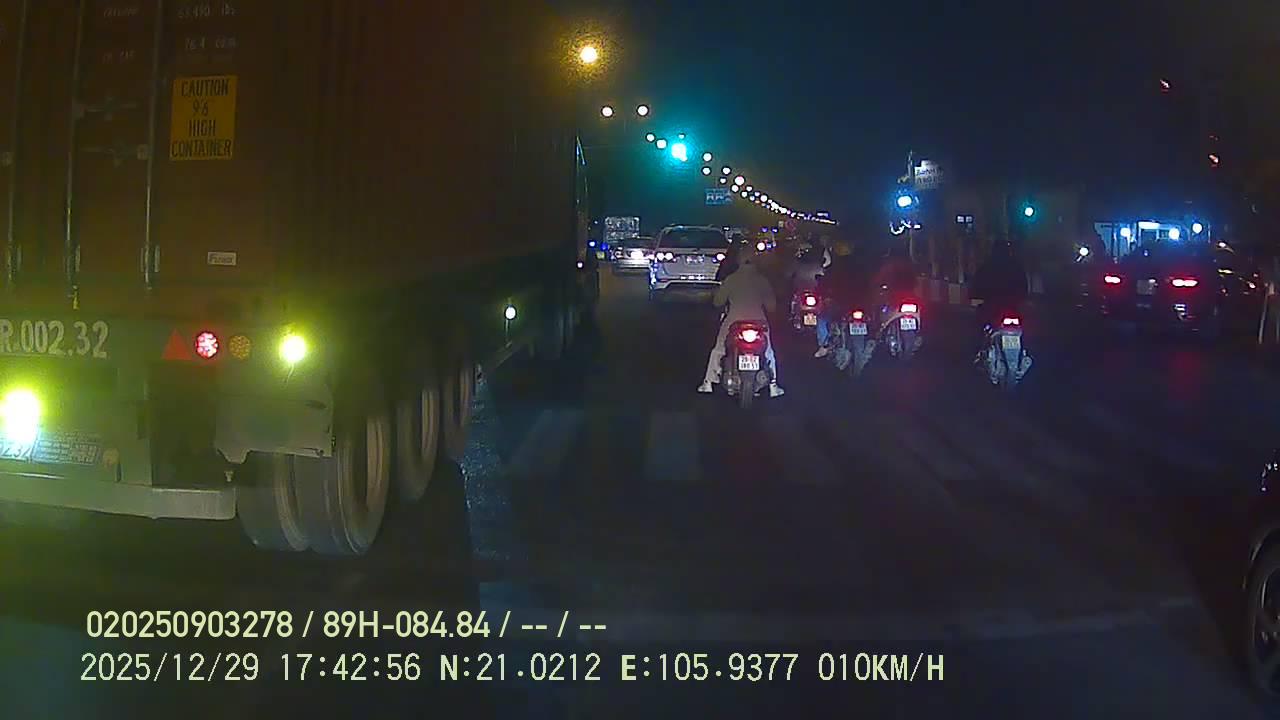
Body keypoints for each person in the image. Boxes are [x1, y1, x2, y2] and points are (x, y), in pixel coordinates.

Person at [698, 252, 784, 397]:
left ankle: (708, 382)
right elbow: (771, 306)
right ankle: (773, 385)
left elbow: (718, 301)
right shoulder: (762, 281)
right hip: (759, 322)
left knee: (719, 349)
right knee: (768, 351)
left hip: (734, 321)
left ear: (739, 262)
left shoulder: (731, 279)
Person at [813, 240, 870, 357]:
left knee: (822, 319)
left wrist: (821, 292)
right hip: (858, 303)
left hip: (840, 303)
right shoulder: (861, 266)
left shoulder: (834, 269)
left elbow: (824, 285)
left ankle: (824, 346)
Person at [970, 238, 1028, 331]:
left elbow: (976, 284)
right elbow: (1024, 286)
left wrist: (974, 294)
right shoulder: (1016, 266)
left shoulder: (987, 266)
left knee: (978, 325)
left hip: (993, 305)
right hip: (1011, 305)